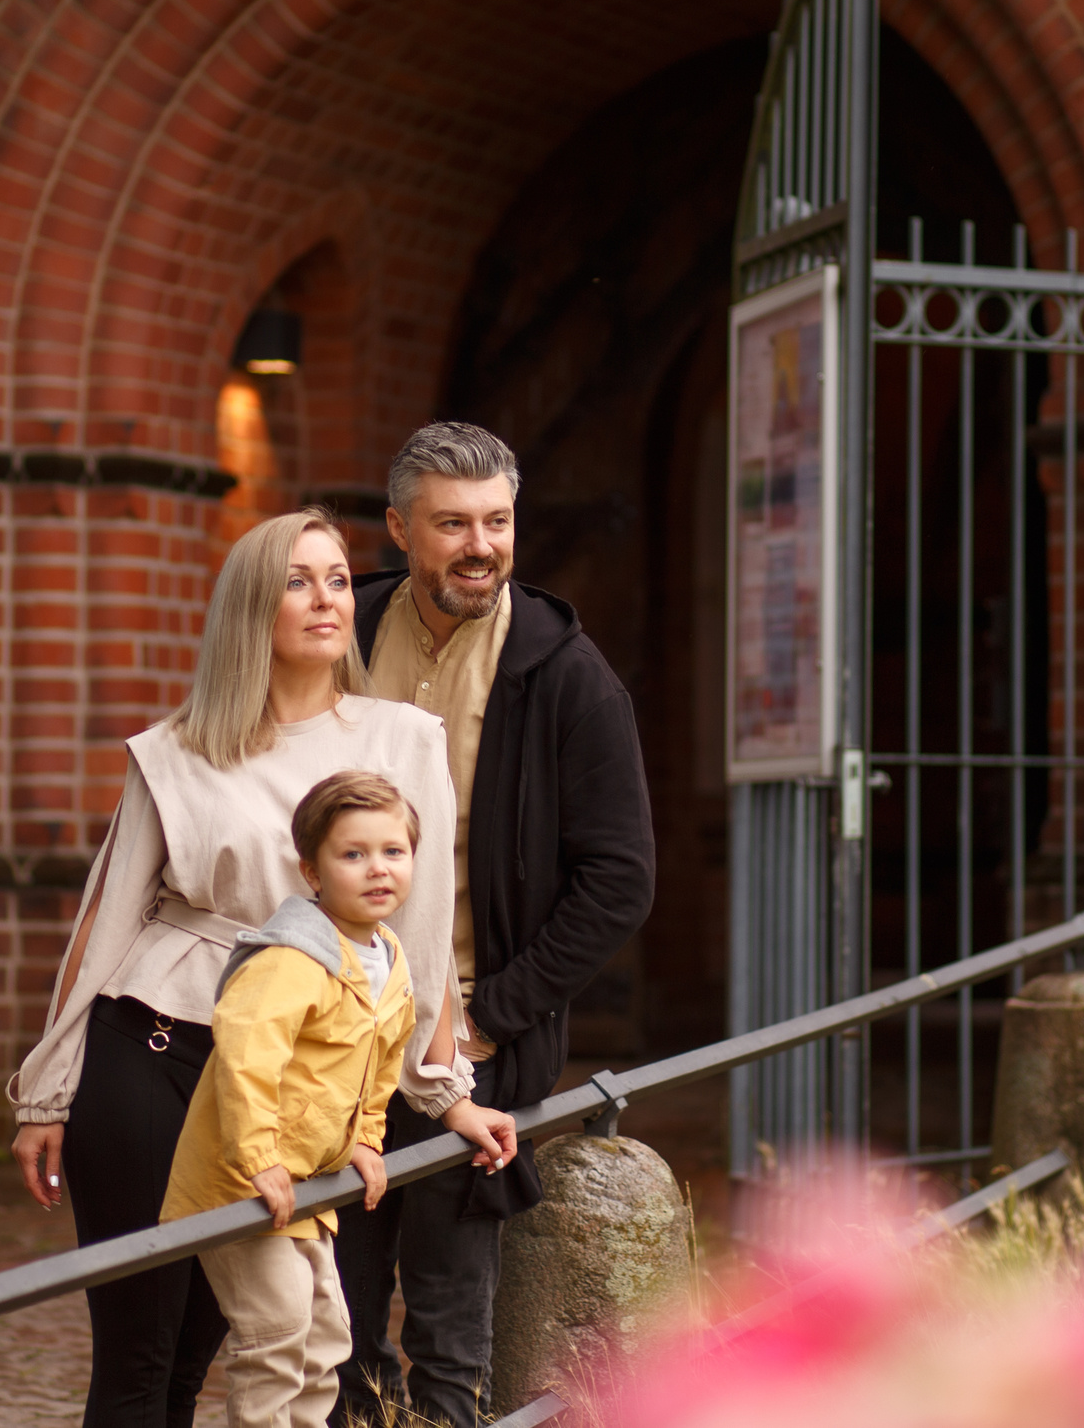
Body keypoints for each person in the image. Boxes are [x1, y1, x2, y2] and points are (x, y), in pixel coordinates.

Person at [8, 508, 474, 1428]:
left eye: (338, 577)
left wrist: (441, 1087)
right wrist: (46, 1095)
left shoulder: (404, 740)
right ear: (249, 609)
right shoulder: (177, 751)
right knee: (141, 1355)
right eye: (296, 581)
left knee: (206, 1350)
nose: (325, 598)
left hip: (283, 1078)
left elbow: (420, 939)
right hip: (151, 1051)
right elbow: (105, 923)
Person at [335, 422, 658, 1428]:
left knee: (448, 1326)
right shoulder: (339, 632)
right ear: (398, 529)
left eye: (497, 522)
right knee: (328, 1315)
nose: (480, 545)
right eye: (451, 524)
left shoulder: (566, 675)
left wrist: (489, 1020)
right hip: (330, 1028)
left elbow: (620, 879)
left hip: (470, 1041)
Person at [163, 770, 518, 1428]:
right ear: (313, 869)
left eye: (393, 851)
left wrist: (364, 1140)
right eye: (352, 854)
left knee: (326, 1337)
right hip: (245, 1178)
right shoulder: (291, 958)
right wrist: (258, 1157)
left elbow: (380, 1066)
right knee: (276, 1336)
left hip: (311, 1184)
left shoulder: (389, 955)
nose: (377, 868)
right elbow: (246, 1058)